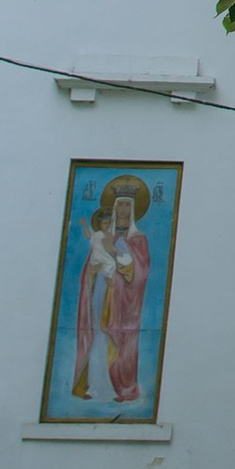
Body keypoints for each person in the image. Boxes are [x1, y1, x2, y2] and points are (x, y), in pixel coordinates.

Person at [71, 175, 152, 408]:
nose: (123, 209)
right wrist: (93, 272)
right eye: (120, 205)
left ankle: (120, 386)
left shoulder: (138, 240)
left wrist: (120, 263)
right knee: (97, 333)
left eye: (127, 205)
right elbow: (91, 266)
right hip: (101, 293)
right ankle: (93, 385)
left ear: (133, 209)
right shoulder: (104, 236)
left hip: (123, 303)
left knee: (116, 338)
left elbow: (140, 273)